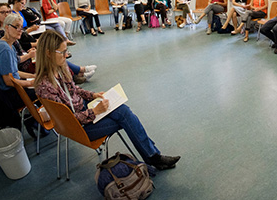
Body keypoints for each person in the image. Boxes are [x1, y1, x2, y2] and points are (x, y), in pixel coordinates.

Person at [33, 30, 181, 171]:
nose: (66, 55)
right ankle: (154, 157)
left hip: (83, 110)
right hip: (79, 127)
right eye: (63, 52)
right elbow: (67, 120)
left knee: (123, 111)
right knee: (125, 118)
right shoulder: (45, 86)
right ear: (48, 53)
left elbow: (74, 90)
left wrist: (93, 95)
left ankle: (153, 156)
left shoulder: (60, 67)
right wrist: (94, 111)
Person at [0, 3, 96, 81]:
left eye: (8, 12)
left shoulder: (9, 33)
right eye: (3, 12)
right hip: (25, 64)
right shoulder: (2, 36)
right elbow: (12, 69)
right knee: (54, 57)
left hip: (26, 57)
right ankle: (77, 74)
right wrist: (29, 55)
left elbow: (18, 52)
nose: (6, 14)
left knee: (56, 53)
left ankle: (77, 74)